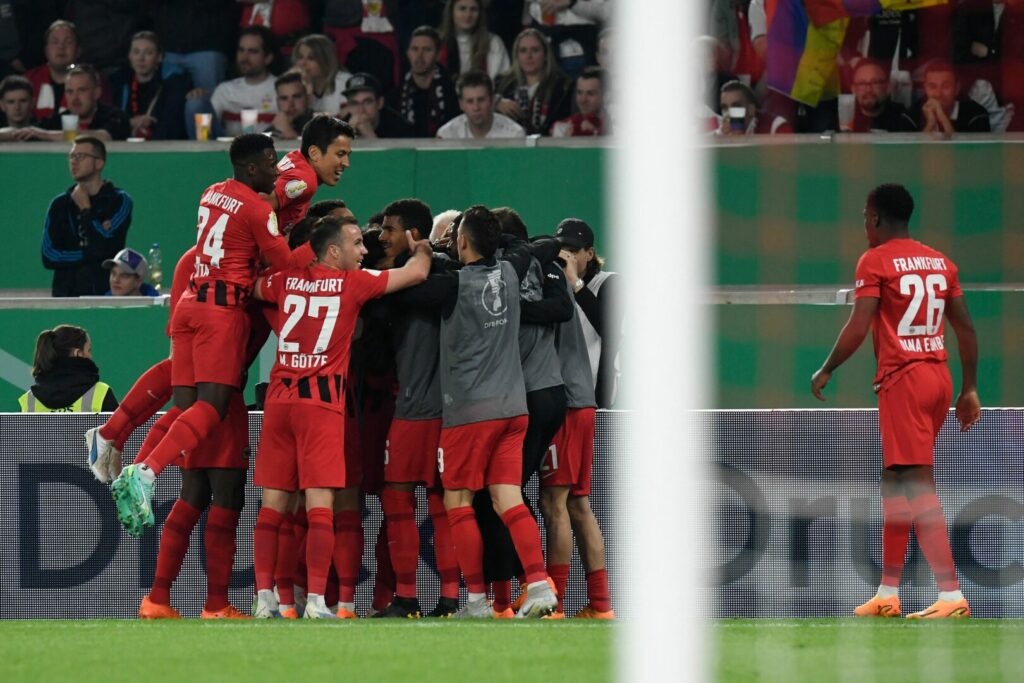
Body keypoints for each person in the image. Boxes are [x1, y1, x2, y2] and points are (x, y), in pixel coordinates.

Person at [107, 134, 313, 538]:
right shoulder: (258, 208)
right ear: (252, 168)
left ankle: (129, 451)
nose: (276, 173)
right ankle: (145, 471)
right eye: (270, 164)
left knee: (185, 405)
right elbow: (285, 263)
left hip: (191, 300)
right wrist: (316, 241)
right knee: (213, 405)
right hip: (222, 310)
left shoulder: (211, 192)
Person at [811, 183, 980, 620]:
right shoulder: (941, 262)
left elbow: (859, 323)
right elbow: (965, 329)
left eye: (865, 216)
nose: (864, 223)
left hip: (904, 379)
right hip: (938, 378)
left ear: (875, 218)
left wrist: (827, 367)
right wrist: (970, 388)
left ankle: (950, 595)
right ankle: (888, 592)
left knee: (918, 486)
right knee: (895, 484)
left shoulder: (875, 260)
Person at [251, 216, 432, 619]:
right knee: (320, 505)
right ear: (333, 252)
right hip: (322, 406)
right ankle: (317, 600)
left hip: (279, 403)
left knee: (272, 507)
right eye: (356, 244)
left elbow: (256, 285)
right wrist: (421, 246)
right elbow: (418, 273)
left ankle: (265, 599)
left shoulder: (285, 282)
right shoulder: (355, 283)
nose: (364, 250)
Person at [388, 205, 561, 618]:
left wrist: (426, 253)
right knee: (508, 497)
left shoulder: (451, 286)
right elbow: (533, 246)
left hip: (468, 413)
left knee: (458, 500)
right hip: (513, 410)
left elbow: (406, 290)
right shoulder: (512, 270)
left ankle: (478, 601)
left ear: (461, 241)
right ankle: (538, 584)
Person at [369, 198, 461, 618]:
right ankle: (445, 598)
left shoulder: (422, 277)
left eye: (389, 229)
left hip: (416, 411)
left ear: (412, 235)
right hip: (443, 410)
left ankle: (413, 596)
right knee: (437, 505)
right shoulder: (442, 273)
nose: (381, 236)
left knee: (402, 500)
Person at [537, 267, 614, 619]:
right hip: (584, 402)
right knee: (578, 505)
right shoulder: (565, 289)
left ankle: (556, 603)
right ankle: (600, 604)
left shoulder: (546, 289)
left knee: (554, 503)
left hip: (566, 404)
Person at [41, 136, 134, 297]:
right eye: (71, 156)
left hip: (105, 295)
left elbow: (108, 248)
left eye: (80, 156)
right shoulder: (59, 204)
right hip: (65, 297)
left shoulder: (119, 200)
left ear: (99, 163)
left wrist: (86, 210)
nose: (73, 162)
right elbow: (49, 255)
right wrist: (89, 254)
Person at [555, 218, 620, 408]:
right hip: (561, 396)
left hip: (595, 396)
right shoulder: (554, 285)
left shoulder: (609, 282)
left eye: (573, 251)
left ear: (590, 253)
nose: (567, 257)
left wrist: (574, 281)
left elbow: (608, 328)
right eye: (562, 251)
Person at [265, 114, 356, 235]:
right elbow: (260, 203)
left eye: (347, 155)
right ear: (314, 153)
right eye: (340, 154)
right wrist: (274, 244)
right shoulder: (304, 181)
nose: (346, 163)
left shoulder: (296, 156)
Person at [108, 31, 193, 140]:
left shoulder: (173, 82)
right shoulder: (119, 82)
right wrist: (130, 123)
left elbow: (172, 125)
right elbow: (110, 123)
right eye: (136, 52)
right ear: (129, 56)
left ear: (159, 57)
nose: (141, 58)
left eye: (148, 53)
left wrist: (151, 125)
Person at [18, 325, 118, 412]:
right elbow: (120, 432)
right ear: (78, 353)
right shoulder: (101, 393)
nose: (90, 356)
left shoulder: (29, 400)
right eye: (88, 350)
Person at [495, 28, 572, 136]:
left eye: (535, 50)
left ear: (545, 55)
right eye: (523, 50)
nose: (529, 56)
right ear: (517, 56)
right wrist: (496, 102)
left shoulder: (563, 87)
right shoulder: (502, 84)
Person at [22, 65, 131, 141]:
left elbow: (104, 137)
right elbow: (25, 132)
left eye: (81, 90)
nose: (75, 98)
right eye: (70, 91)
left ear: (97, 93)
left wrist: (45, 135)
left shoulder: (115, 116)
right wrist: (6, 135)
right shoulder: (58, 120)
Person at [388, 26, 459, 137]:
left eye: (427, 50)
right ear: (408, 53)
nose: (419, 56)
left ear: (438, 55)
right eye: (415, 49)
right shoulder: (396, 95)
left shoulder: (453, 92)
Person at [211, 26, 279, 137]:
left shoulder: (281, 89)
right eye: (241, 50)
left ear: (268, 58)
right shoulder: (225, 90)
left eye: (252, 51)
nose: (244, 57)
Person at [437, 70, 525, 139]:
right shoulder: (447, 135)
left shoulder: (514, 134)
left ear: (492, 100)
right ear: (461, 104)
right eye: (470, 101)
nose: (476, 108)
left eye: (481, 100)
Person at [438, 0, 510, 81]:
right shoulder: (437, 42)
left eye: (474, 9)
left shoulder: (493, 42)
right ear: (451, 11)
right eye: (462, 8)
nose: (468, 15)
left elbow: (499, 80)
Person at [912, 61, 991, 135]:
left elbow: (974, 150)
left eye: (945, 86)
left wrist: (943, 118)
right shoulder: (910, 116)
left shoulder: (977, 115)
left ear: (957, 88)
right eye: (932, 86)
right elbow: (910, 150)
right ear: (925, 88)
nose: (938, 94)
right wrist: (930, 124)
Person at [24, 20, 79, 120]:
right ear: (46, 50)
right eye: (55, 42)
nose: (61, 47)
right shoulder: (28, 80)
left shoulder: (91, 81)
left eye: (68, 42)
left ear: (78, 50)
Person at [849, 60, 917, 133]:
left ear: (888, 87)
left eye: (875, 82)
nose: (868, 89)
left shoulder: (904, 118)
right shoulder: (840, 117)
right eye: (861, 83)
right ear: (853, 89)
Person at [340, 72, 415, 138]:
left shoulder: (400, 128)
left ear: (380, 103)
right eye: (354, 103)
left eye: (367, 102)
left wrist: (370, 136)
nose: (361, 110)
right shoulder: (339, 128)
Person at [292, 33, 352, 115]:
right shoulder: (296, 83)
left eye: (311, 58)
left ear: (326, 60)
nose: (303, 63)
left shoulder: (344, 81)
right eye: (300, 57)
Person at [717, 80, 793, 135]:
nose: (729, 113)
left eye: (736, 106)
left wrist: (741, 141)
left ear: (751, 110)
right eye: (725, 108)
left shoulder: (776, 126)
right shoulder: (719, 134)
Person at [550, 66, 607, 137]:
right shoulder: (562, 127)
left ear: (605, 96)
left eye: (590, 94)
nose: (583, 100)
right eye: (579, 92)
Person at [267, 71, 314, 140]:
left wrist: (288, 132)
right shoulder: (273, 128)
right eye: (284, 98)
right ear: (277, 102)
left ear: (308, 99)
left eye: (296, 97)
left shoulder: (321, 125)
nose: (290, 104)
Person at [0, 75, 35, 139]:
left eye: (23, 101)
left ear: (32, 103)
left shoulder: (46, 128)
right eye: (11, 102)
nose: (17, 107)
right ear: (2, 105)